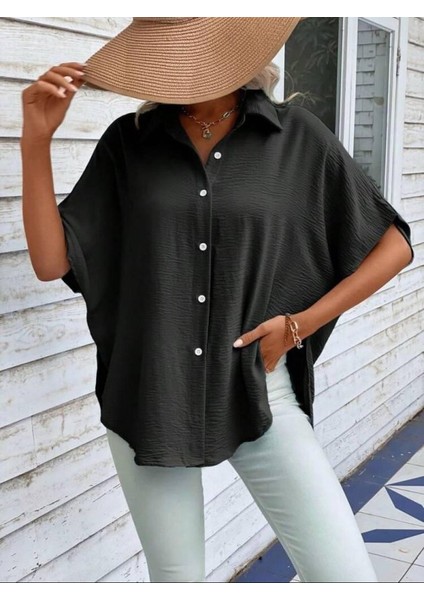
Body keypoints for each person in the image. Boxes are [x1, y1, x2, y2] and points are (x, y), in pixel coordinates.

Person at [20, 18, 414, 583]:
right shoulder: (129, 144)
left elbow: (392, 246)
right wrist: (37, 141)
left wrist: (299, 325)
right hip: (151, 393)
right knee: (177, 580)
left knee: (345, 577)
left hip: (257, 388)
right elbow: (51, 262)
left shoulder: (295, 137)